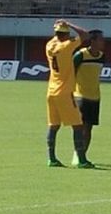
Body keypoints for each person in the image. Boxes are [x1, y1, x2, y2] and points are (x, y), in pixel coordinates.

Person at [44, 19, 93, 169]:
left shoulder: (49, 45)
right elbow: (85, 35)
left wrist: (60, 26)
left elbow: (57, 36)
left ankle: (51, 158)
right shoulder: (66, 46)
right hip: (64, 92)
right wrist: (70, 23)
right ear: (66, 34)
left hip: (51, 91)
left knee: (53, 126)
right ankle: (82, 159)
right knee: (78, 125)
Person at [71, 29, 105, 165]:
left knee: (89, 128)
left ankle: (83, 156)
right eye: (101, 39)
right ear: (93, 40)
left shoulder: (102, 56)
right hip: (80, 96)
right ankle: (77, 155)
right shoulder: (80, 55)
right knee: (81, 127)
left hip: (95, 97)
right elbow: (71, 73)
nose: (103, 42)